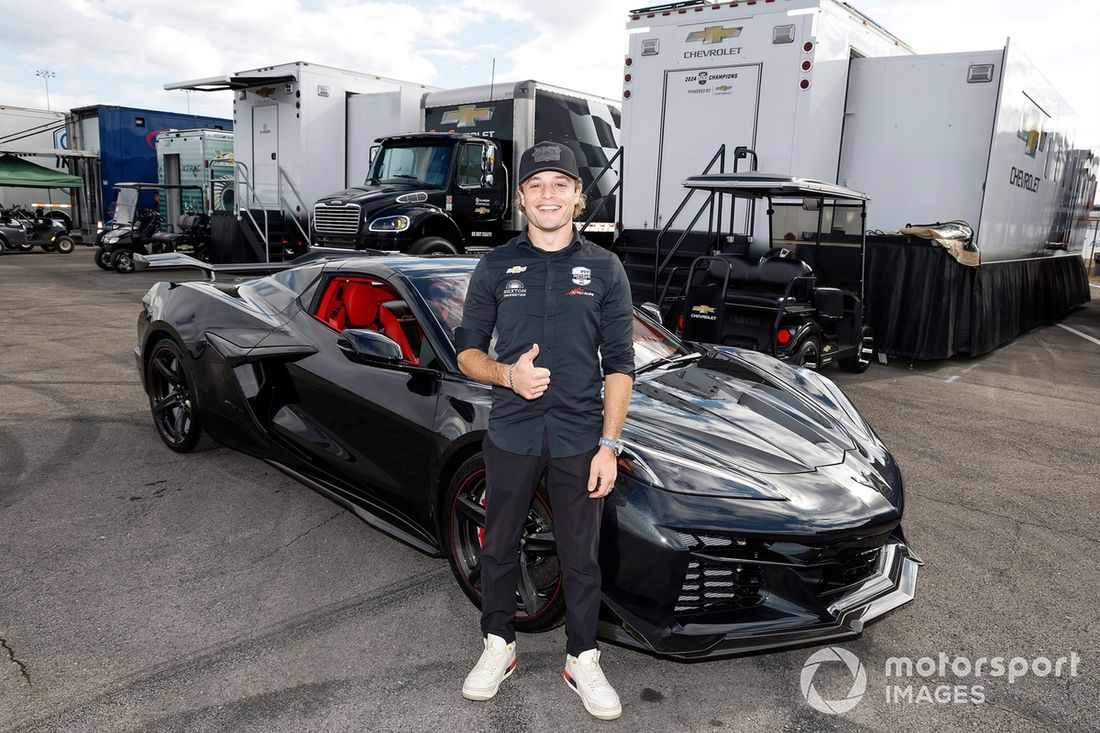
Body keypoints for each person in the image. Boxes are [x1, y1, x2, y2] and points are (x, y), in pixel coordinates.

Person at [454, 141, 634, 721]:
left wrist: (610, 444)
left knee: (581, 555)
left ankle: (582, 657)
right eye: (536, 186)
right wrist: (508, 374)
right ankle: (497, 645)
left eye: (561, 184)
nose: (548, 195)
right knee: (499, 545)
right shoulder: (494, 265)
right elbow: (466, 354)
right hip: (511, 431)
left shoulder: (605, 268)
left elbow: (621, 365)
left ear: (580, 196)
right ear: (521, 198)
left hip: (582, 439)